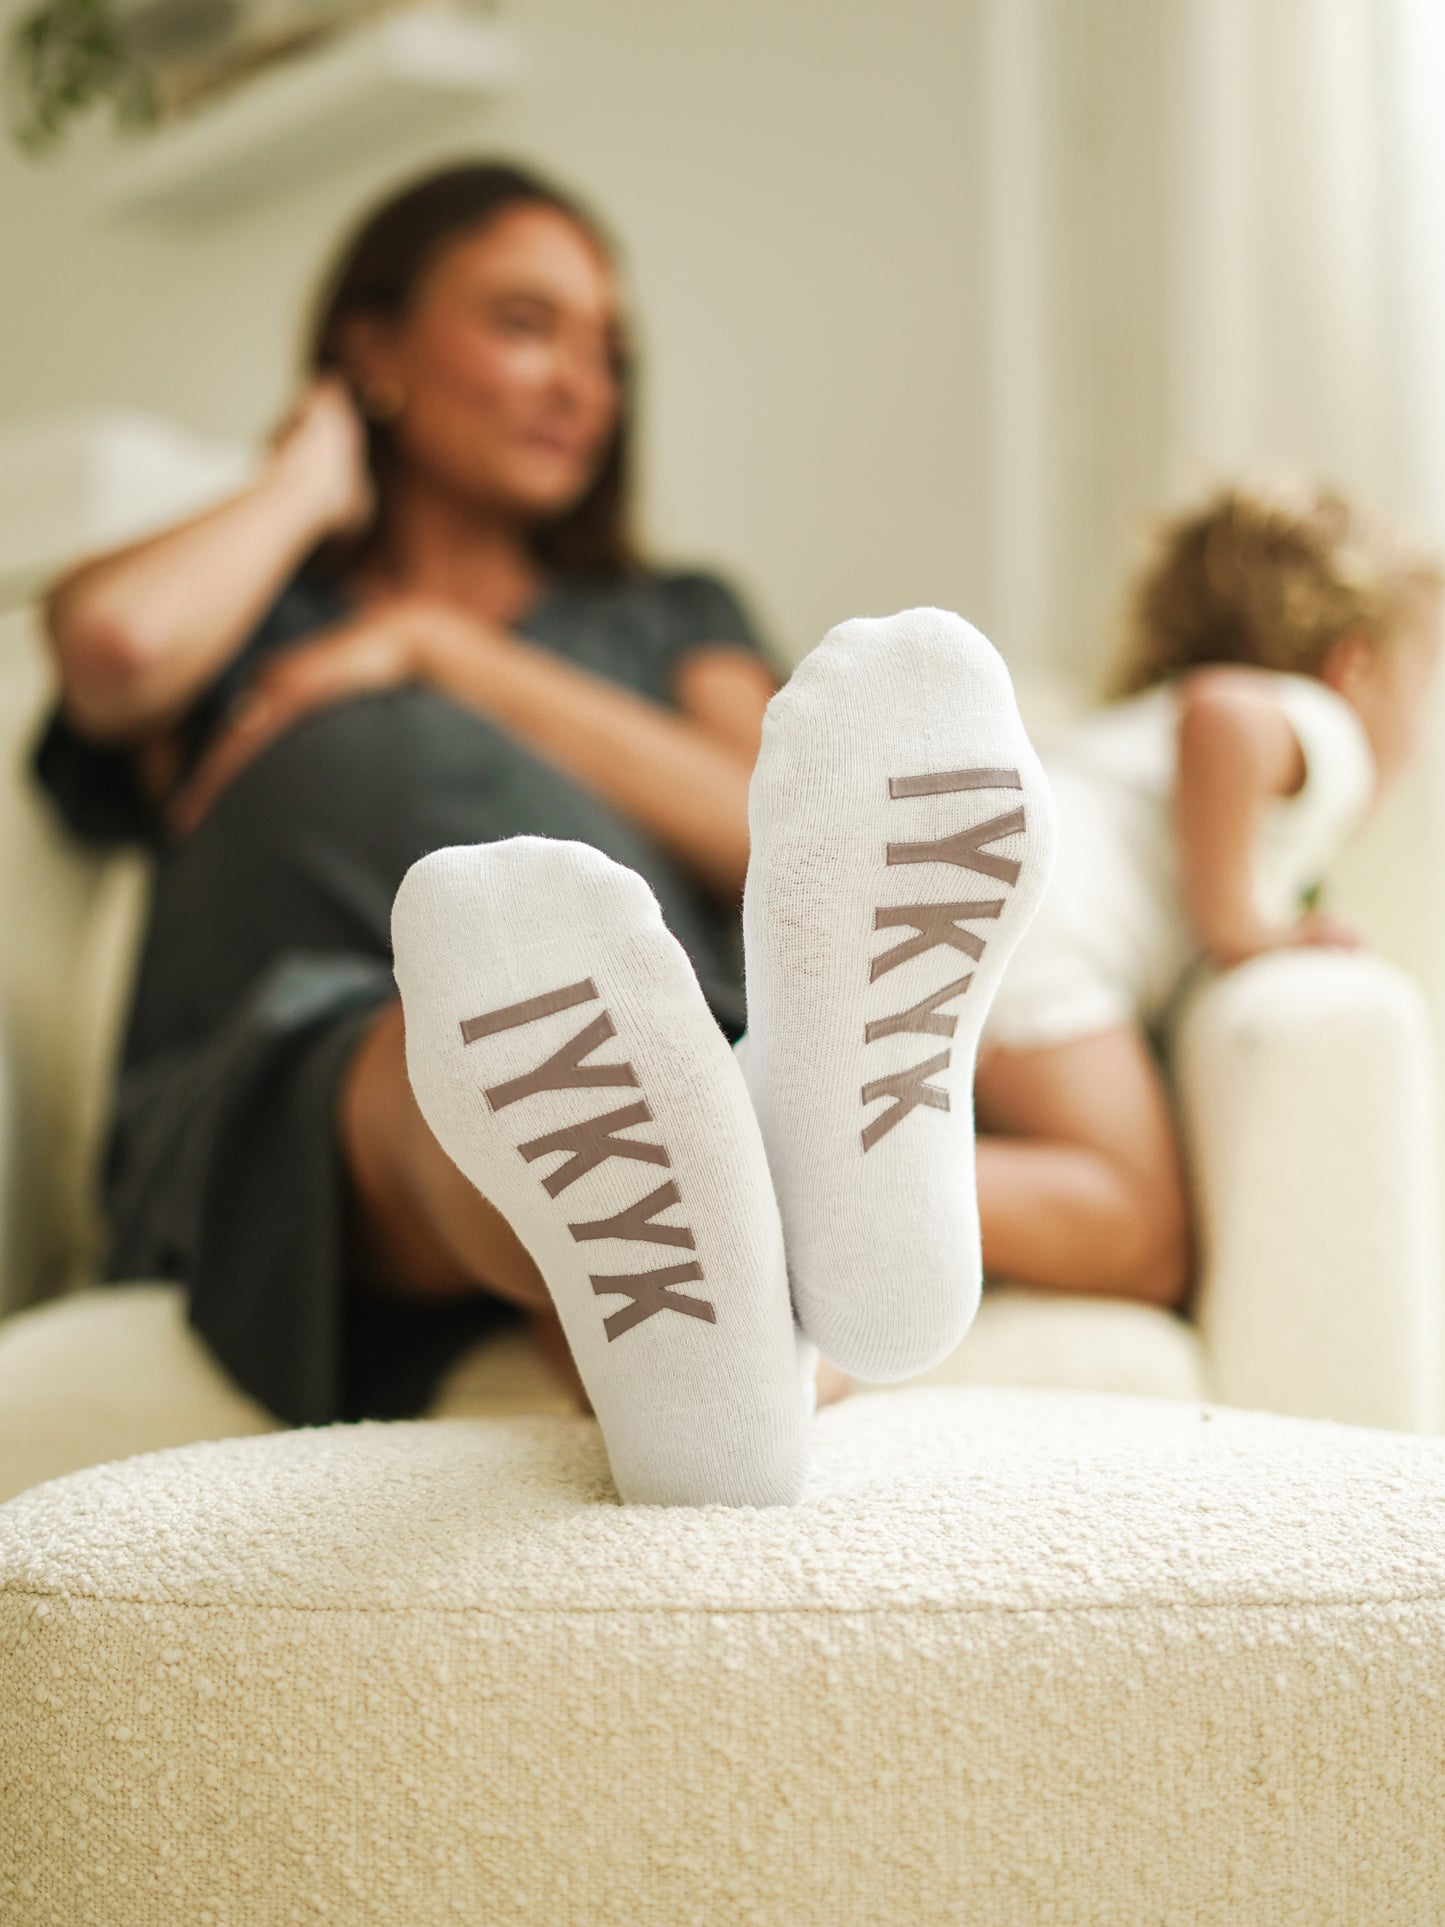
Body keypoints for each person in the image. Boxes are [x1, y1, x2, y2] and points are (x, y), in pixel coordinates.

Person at [37, 160, 792, 1436]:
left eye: (607, 352)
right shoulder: (257, 612)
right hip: (288, 1091)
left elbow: (784, 835)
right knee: (440, 1053)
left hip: (636, 1030)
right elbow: (113, 650)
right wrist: (305, 475)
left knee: (528, 1045)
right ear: (373, 345)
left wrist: (441, 652)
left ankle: (696, 1304)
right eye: (522, 324)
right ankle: (730, 1259)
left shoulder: (669, 616)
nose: (580, 385)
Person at [973, 479, 1443, 1309]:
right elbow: (1221, 714)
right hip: (1035, 921)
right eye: (1422, 692)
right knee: (1145, 1233)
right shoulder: (1325, 726)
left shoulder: (1131, 732)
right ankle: (826, 1187)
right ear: (1354, 666)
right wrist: (1239, 924)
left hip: (975, 883)